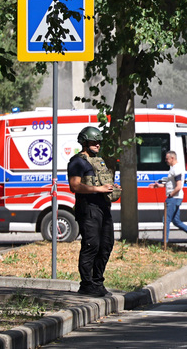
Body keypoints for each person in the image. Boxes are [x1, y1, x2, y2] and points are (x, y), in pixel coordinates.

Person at [68, 127, 121, 297]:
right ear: (84, 142)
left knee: (106, 244)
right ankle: (87, 284)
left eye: (99, 142)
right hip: (88, 209)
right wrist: (99, 189)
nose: (97, 145)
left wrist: (112, 189)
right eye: (93, 142)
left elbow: (103, 182)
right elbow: (74, 186)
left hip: (103, 209)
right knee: (91, 245)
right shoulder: (78, 162)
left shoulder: (99, 161)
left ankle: (97, 282)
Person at [150, 151, 187, 243]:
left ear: (172, 158)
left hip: (174, 198)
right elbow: (171, 184)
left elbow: (178, 186)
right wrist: (159, 186)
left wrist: (170, 195)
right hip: (177, 197)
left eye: (167, 159)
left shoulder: (176, 169)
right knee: (176, 221)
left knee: (166, 220)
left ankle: (164, 242)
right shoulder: (174, 168)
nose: (166, 161)